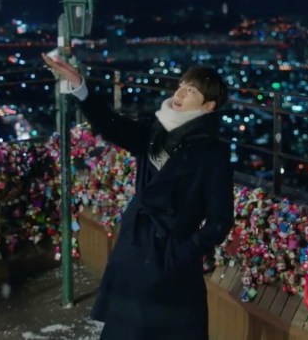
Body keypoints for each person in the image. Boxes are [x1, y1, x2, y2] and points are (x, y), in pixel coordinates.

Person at [41, 53, 234, 340]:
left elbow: (220, 220)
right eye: (181, 85)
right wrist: (79, 84)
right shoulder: (155, 129)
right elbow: (111, 125)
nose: (180, 93)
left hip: (172, 257)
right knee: (126, 330)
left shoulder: (212, 153)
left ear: (208, 106)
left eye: (191, 90)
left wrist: (183, 252)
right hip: (136, 246)